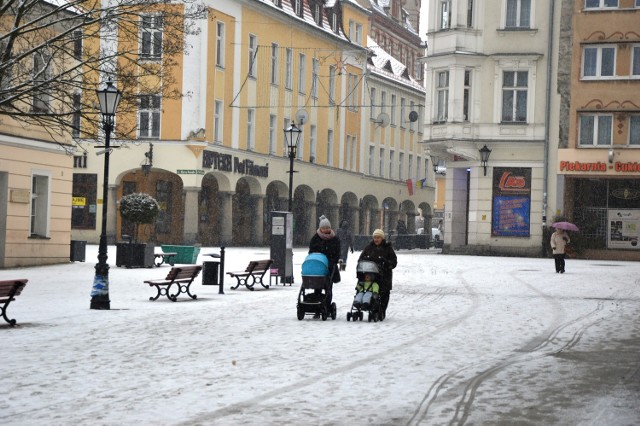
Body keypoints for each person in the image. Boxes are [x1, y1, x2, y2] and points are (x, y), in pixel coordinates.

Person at [358, 229, 397, 319]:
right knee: (370, 291)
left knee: (384, 293)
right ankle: (372, 307)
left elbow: (394, 261)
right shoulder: (369, 248)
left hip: (384, 275)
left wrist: (387, 263)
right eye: (375, 237)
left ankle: (382, 310)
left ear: (382, 238)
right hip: (371, 275)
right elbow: (361, 258)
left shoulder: (388, 248)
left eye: (378, 237)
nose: (376, 239)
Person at [308, 215, 341, 315]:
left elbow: (337, 253)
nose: (326, 230)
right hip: (318, 267)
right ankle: (316, 304)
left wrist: (332, 261)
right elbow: (311, 251)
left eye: (327, 228)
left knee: (328, 287)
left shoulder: (335, 239)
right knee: (317, 286)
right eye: (324, 228)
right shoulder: (315, 238)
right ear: (320, 228)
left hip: (329, 267)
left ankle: (326, 304)